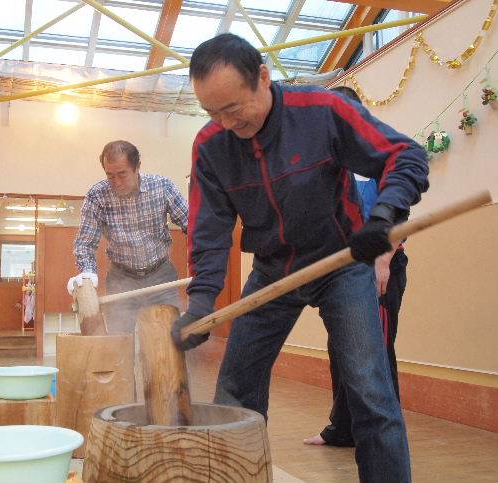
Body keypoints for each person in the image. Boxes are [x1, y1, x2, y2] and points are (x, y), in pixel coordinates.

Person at [171, 34, 428, 483]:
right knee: (234, 393)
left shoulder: (322, 110)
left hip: (341, 264)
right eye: (212, 112)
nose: (226, 122)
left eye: (233, 108)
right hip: (272, 271)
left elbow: (404, 155)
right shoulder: (211, 145)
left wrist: (384, 215)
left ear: (264, 78)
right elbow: (209, 229)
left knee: (370, 392)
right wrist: (201, 303)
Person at [304, 86, 409, 448]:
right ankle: (343, 428)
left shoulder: (381, 154)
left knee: (375, 351)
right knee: (341, 349)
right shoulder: (328, 161)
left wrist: (382, 263)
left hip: (381, 266)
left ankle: (382, 434)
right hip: (341, 272)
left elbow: (397, 219)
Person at [69, 140, 188, 334]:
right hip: (121, 278)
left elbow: (192, 225)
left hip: (161, 276)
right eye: (110, 175)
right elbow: (85, 244)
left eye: (122, 174)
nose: (116, 182)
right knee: (119, 341)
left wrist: (206, 260)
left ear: (137, 166)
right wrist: (88, 275)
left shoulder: (162, 187)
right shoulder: (97, 195)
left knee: (166, 341)